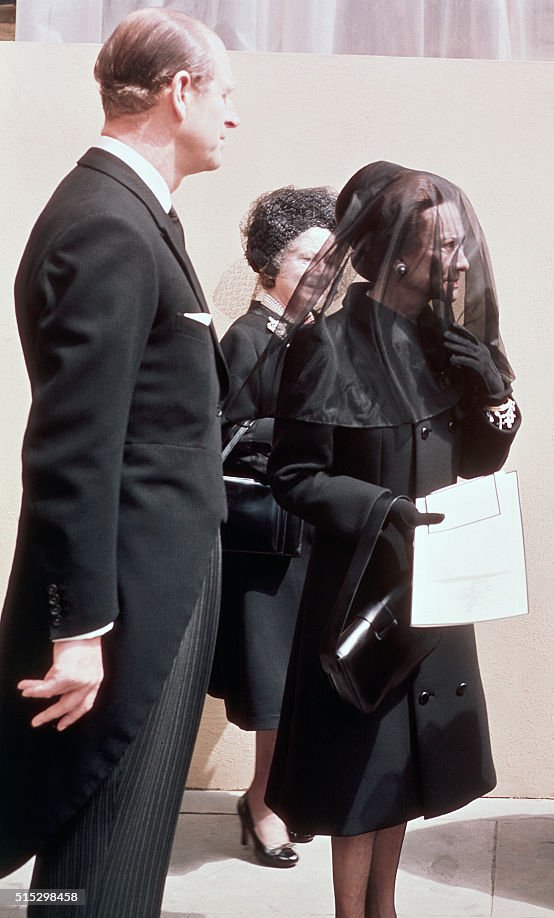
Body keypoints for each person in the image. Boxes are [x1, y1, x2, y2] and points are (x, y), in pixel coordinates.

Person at [0, 9, 238, 916]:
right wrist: (79, 631)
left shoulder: (134, 211)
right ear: (179, 92)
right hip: (130, 602)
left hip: (159, 579)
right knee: (101, 865)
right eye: (224, 94)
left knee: (116, 859)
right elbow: (73, 448)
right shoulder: (107, 222)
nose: (232, 116)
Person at [259, 162, 519, 918]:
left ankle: (385, 906)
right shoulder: (328, 348)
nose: (462, 259)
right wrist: (384, 509)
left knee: (402, 769)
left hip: (433, 590)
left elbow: (478, 461)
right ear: (400, 251)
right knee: (356, 775)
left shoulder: (451, 342)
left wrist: (494, 396)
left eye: (464, 243)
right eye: (445, 245)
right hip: (359, 592)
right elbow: (294, 475)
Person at [208, 186, 336, 867]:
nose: (320, 272)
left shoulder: (311, 336)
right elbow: (221, 433)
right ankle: (262, 805)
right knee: (271, 686)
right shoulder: (248, 338)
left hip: (308, 533)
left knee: (297, 678)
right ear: (269, 262)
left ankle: (277, 795)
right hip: (267, 539)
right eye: (306, 258)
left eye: (328, 260)